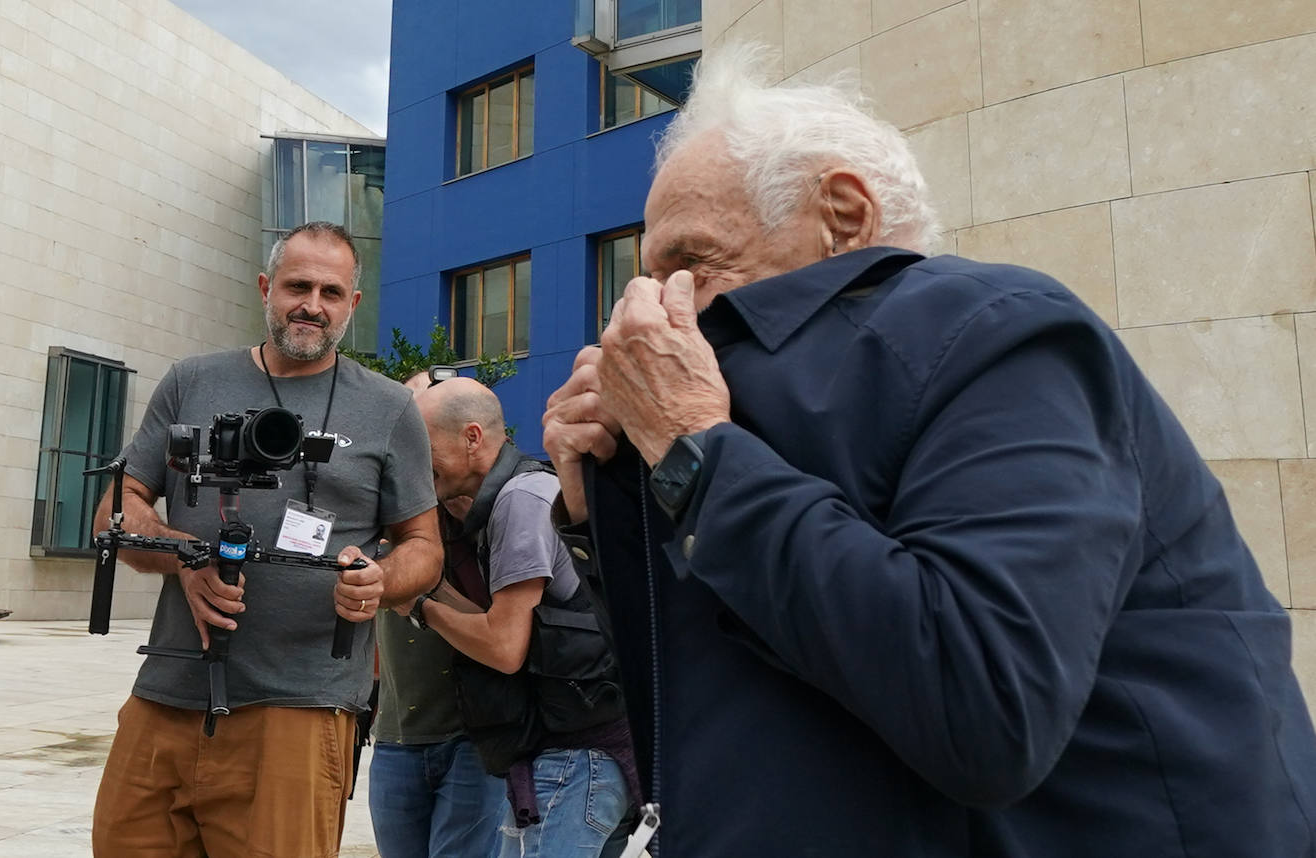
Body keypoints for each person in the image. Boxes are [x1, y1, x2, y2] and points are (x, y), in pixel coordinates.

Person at [541, 44, 1316, 858]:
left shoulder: (994, 331)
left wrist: (695, 450)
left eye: (692, 265)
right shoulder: (757, 412)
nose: (656, 313)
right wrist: (611, 505)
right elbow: (729, 695)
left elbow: (984, 701)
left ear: (844, 215)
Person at [91, 221, 444, 857]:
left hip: (300, 710)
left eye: (331, 292)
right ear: (265, 288)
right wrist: (184, 559)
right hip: (167, 695)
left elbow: (424, 544)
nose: (313, 304)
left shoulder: (390, 409)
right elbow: (117, 510)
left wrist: (382, 581)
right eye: (298, 285)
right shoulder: (191, 382)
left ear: (353, 305)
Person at [409, 377, 637, 858]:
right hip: (574, 755)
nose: (413, 461)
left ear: (472, 438)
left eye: (422, 445)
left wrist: (419, 606)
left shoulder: (522, 500)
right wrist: (429, 589)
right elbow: (506, 630)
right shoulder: (502, 500)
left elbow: (503, 648)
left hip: (579, 759)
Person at [366, 370, 506, 858]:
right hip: (396, 735)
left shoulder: (500, 506)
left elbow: (507, 635)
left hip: (473, 736)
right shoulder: (387, 504)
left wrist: (423, 597)